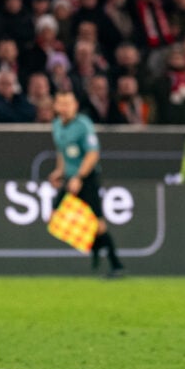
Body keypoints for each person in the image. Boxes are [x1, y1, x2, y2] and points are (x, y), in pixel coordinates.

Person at [47, 89, 123, 277]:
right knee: (54, 216)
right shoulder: (56, 125)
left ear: (76, 106)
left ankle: (117, 265)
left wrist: (79, 178)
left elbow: (92, 154)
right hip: (70, 178)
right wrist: (60, 171)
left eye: (68, 104)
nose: (64, 108)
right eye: (61, 103)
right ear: (55, 106)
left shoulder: (83, 126)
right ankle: (95, 246)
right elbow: (62, 152)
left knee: (98, 224)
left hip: (86, 178)